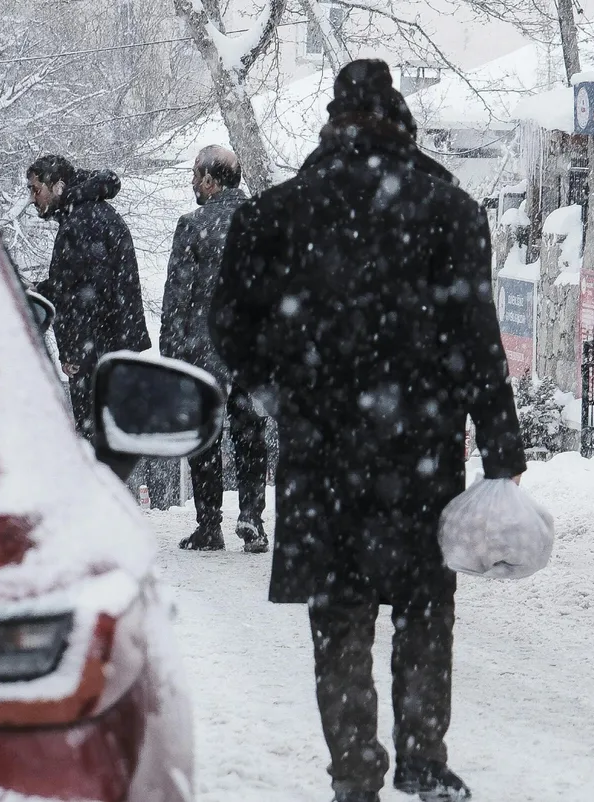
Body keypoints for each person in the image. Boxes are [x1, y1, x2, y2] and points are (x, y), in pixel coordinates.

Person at [210, 60, 526, 802]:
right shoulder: (449, 210)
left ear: (333, 121)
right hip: (420, 446)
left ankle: (355, 773)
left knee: (340, 617)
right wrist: (501, 447)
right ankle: (423, 758)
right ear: (402, 122)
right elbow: (478, 337)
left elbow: (227, 320)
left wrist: (272, 386)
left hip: (322, 449)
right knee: (424, 607)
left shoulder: (279, 213)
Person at [160, 145, 270, 553]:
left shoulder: (193, 225)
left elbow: (178, 295)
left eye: (195, 174)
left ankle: (209, 525)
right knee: (250, 432)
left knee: (206, 433)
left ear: (209, 180)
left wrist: (171, 352)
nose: (192, 181)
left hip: (205, 346)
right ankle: (252, 517)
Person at [28, 155, 151, 435]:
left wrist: (73, 351)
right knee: (110, 435)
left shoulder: (81, 221)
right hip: (111, 348)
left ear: (58, 186)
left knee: (95, 437)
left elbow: (82, 295)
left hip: (97, 352)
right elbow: (77, 281)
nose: (33, 199)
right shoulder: (91, 213)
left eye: (36, 189)